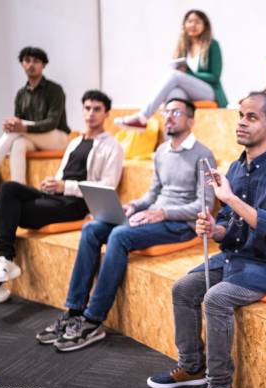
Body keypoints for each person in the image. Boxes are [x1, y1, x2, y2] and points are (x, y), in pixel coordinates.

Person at [147, 93, 266, 388]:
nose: (242, 123)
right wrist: (213, 227)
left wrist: (231, 198)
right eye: (241, 116)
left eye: (252, 117)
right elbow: (229, 229)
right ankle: (192, 366)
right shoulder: (235, 168)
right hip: (238, 256)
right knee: (183, 288)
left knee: (215, 298)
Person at [35, 98, 216, 351]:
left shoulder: (203, 155)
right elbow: (153, 193)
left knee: (119, 235)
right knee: (91, 229)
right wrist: (133, 206)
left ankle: (93, 319)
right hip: (152, 216)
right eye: (166, 112)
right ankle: (75, 311)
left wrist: (162, 213)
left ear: (191, 120)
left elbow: (203, 206)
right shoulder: (162, 152)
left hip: (181, 225)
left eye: (177, 112)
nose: (169, 117)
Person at [0, 90, 123, 310]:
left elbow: (108, 187)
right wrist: (54, 182)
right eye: (87, 108)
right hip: (55, 195)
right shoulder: (74, 142)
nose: (91, 114)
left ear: (106, 113)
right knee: (9, 189)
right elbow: (64, 172)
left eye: (97, 109)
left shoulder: (112, 146)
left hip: (76, 204)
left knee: (0, 211)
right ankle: (2, 263)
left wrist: (66, 186)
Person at [0, 47, 70, 185]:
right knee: (18, 143)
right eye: (27, 61)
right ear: (22, 64)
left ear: (43, 65)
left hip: (57, 138)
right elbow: (18, 122)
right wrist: (11, 125)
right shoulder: (21, 94)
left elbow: (52, 122)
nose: (31, 65)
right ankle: (19, 190)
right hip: (33, 139)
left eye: (36, 61)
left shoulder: (54, 89)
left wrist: (21, 127)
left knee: (17, 132)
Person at [115, 10, 228, 130]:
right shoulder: (183, 46)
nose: (193, 25)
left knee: (174, 76)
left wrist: (189, 73)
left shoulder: (212, 45)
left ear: (205, 25)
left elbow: (215, 76)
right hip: (187, 89)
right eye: (189, 21)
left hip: (209, 91)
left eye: (197, 22)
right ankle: (171, 144)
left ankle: (142, 117)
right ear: (184, 24)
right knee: (174, 95)